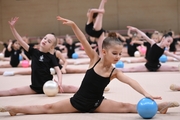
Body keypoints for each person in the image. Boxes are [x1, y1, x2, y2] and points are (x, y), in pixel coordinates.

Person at [0, 16, 179, 116]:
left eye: (119, 54)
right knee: (46, 109)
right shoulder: (94, 59)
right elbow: (83, 40)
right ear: (104, 52)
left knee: (126, 106)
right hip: (77, 102)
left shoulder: (114, 72)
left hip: (97, 103)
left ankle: (160, 106)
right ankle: (14, 108)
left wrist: (147, 94)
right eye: (114, 53)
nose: (118, 57)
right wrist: (74, 26)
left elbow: (130, 81)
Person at [0, 17, 79, 97]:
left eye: (49, 41)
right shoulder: (33, 52)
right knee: (13, 91)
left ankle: (89, 92)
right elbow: (20, 40)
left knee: (70, 87)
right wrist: (12, 28)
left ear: (51, 47)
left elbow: (58, 70)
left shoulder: (51, 57)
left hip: (49, 86)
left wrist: (59, 82)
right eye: (45, 38)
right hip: (35, 87)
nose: (45, 40)